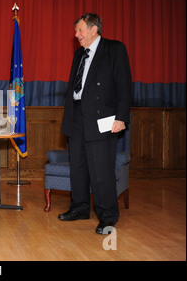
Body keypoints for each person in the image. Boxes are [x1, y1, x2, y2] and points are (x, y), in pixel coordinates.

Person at [59, 13, 132, 235]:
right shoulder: (78, 54)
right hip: (77, 116)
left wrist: (122, 117)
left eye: (80, 30)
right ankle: (80, 207)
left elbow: (124, 86)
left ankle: (108, 217)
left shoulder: (114, 49)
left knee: (101, 170)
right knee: (78, 167)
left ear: (93, 29)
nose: (76, 35)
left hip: (103, 119)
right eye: (76, 31)